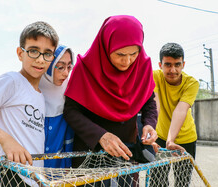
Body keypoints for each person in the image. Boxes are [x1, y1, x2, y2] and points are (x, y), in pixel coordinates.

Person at [63, 15, 158, 186]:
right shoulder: (85, 69)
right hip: (90, 156)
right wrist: (101, 136)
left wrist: (149, 124)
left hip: (126, 155)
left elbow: (149, 102)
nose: (127, 61)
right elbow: (70, 111)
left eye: (134, 53)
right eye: (120, 54)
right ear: (106, 46)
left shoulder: (142, 67)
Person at [0, 21, 59, 187]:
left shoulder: (40, 96)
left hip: (31, 178)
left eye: (47, 53)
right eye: (33, 51)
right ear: (20, 53)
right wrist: (7, 140)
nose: (40, 59)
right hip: (9, 174)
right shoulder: (12, 80)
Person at [150, 43, 199, 186]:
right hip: (159, 137)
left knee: (182, 182)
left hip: (186, 138)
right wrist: (151, 134)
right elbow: (155, 106)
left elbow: (181, 109)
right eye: (168, 65)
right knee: (157, 181)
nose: (173, 70)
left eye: (177, 64)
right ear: (160, 64)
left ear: (183, 64)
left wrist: (171, 141)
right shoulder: (154, 76)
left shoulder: (192, 83)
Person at [39, 44, 74, 168]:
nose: (66, 73)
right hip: (28, 167)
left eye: (69, 67)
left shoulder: (69, 91)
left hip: (57, 168)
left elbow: (69, 135)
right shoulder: (30, 88)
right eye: (60, 67)